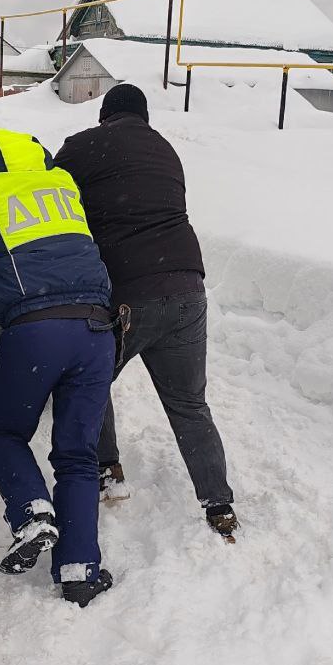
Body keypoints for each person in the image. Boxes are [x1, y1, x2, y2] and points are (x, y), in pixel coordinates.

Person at [0, 128, 116, 606]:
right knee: (77, 455)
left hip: (37, 332)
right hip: (97, 330)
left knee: (5, 435)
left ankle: (33, 513)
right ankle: (79, 571)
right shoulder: (64, 186)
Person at [54, 83, 239, 541]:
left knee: (90, 381)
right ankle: (218, 504)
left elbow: (51, 195)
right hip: (188, 285)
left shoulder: (84, 145)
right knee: (190, 403)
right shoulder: (166, 150)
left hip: (129, 290)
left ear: (104, 115)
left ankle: (106, 470)